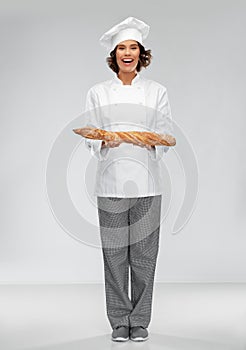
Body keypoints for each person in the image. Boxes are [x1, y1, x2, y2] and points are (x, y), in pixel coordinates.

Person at [83, 16, 174, 342]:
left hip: (149, 183)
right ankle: (120, 320)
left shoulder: (157, 92)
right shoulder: (98, 92)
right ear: (114, 55)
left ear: (141, 53)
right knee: (115, 256)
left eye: (133, 47)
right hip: (110, 184)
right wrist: (102, 140)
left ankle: (141, 319)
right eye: (122, 47)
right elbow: (90, 134)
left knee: (145, 256)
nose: (128, 53)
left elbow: (166, 134)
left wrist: (150, 139)